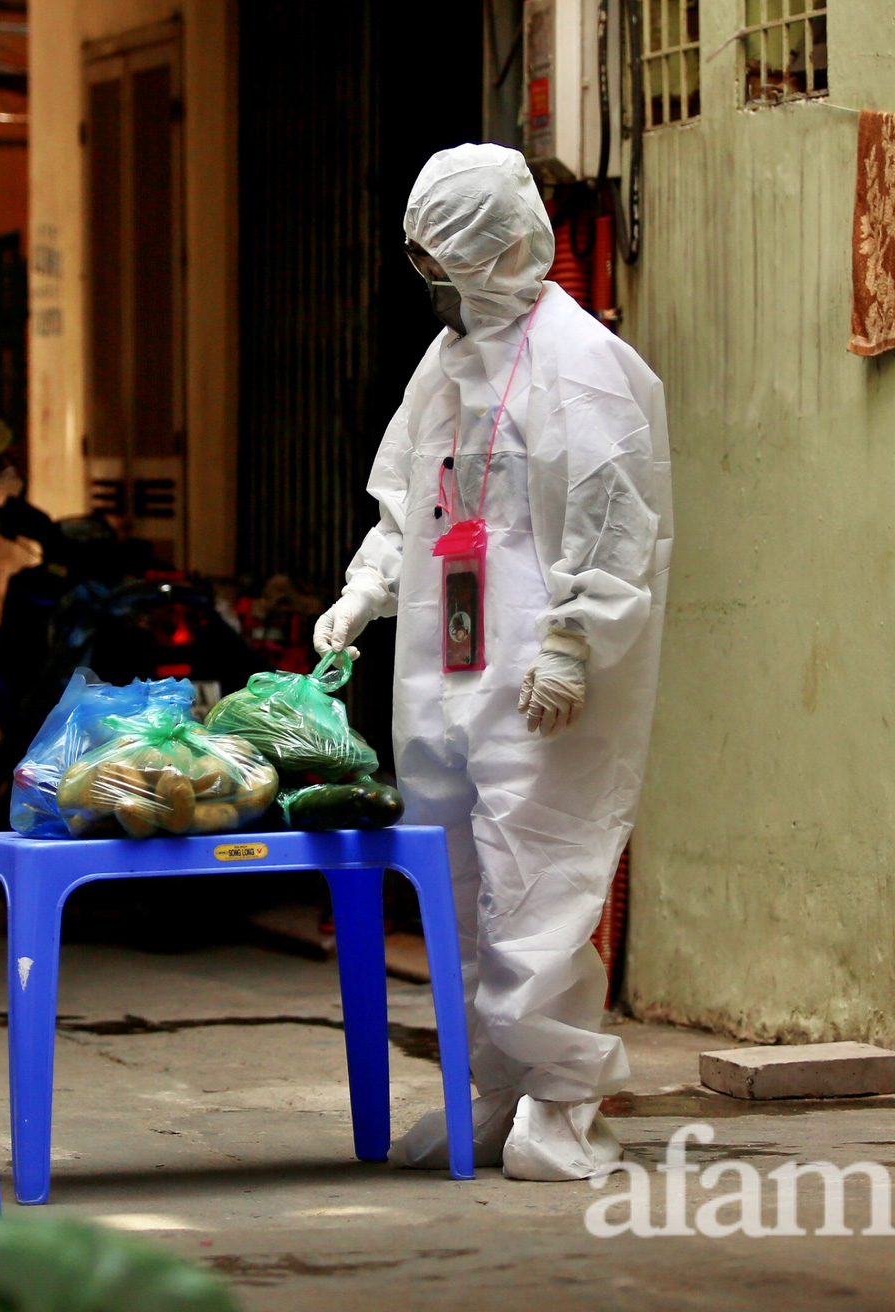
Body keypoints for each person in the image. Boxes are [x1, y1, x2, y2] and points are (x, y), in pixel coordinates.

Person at [313, 143, 672, 1181]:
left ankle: (561, 1101)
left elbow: (613, 523)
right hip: (444, 665)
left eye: (449, 260)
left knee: (538, 877)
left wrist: (570, 642)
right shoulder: (450, 361)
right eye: (427, 261)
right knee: (455, 883)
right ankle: (497, 1091)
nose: (436, 282)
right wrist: (366, 589)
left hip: (536, 683)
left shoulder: (581, 365)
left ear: (509, 246)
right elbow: (404, 499)